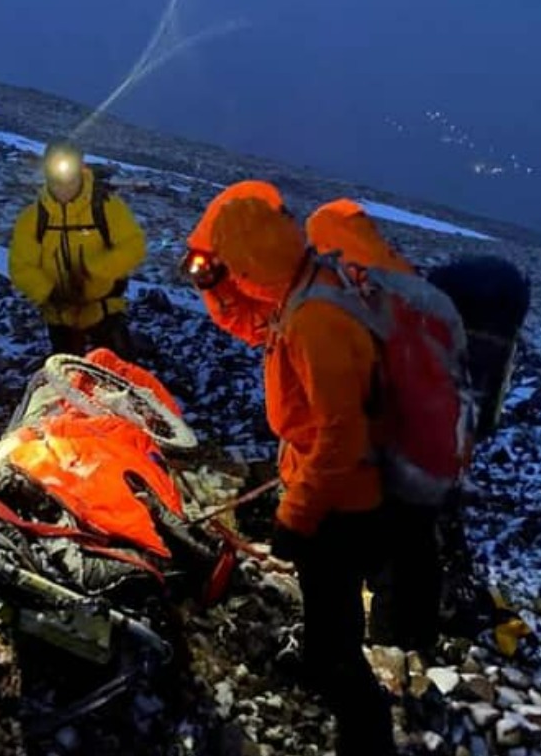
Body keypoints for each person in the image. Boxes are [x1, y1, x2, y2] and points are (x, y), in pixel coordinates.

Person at [182, 181, 398, 756]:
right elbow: (258, 324)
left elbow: (342, 434)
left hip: (343, 497)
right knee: (327, 600)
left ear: (253, 255)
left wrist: (297, 516)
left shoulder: (317, 320)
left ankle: (366, 730)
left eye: (231, 262)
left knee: (335, 618)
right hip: (331, 484)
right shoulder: (301, 288)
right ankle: (322, 664)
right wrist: (215, 287)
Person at [7, 141, 146, 360]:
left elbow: (133, 245)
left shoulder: (107, 207)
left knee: (119, 377)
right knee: (69, 382)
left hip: (105, 311)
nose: (63, 185)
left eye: (69, 176)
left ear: (81, 171)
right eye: (56, 177)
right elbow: (21, 266)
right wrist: (50, 293)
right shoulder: (32, 219)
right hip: (59, 315)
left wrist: (94, 271)